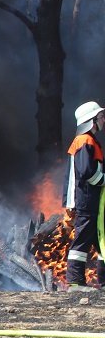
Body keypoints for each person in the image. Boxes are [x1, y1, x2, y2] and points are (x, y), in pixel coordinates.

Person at [65, 101, 105, 291]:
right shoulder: (85, 141)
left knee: (100, 241)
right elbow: (87, 172)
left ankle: (102, 281)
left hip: (90, 200)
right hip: (86, 199)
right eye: (100, 117)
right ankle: (75, 282)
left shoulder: (86, 140)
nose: (103, 120)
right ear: (92, 121)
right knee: (82, 239)